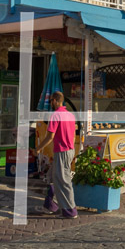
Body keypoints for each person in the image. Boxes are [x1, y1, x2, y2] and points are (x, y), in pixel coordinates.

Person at [38, 91, 78, 219]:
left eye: (51, 101)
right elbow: (73, 135)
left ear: (55, 100)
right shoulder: (70, 115)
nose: (50, 103)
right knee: (52, 177)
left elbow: (50, 136)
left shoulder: (55, 115)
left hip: (62, 151)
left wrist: (38, 148)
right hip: (68, 150)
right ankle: (50, 205)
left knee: (63, 180)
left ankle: (70, 211)